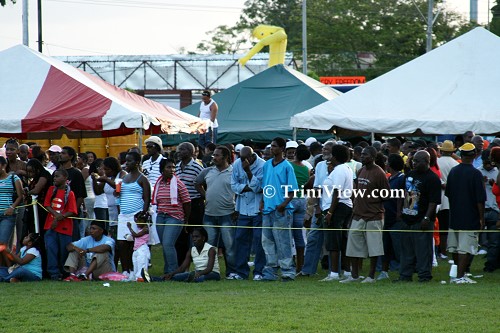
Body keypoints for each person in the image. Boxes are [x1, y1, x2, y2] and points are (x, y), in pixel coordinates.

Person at [342, 146, 390, 283]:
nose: (362, 157)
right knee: (353, 246)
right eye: (361, 154)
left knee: (374, 248)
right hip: (358, 214)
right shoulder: (361, 170)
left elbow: (386, 195)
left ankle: (370, 276)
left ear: (373, 157)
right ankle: (355, 275)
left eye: (365, 155)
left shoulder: (379, 173)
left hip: (374, 216)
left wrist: (372, 198)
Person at [396, 151, 441, 283]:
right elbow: (403, 193)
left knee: (423, 251)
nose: (413, 163)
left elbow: (434, 201)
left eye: (417, 161)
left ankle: (424, 276)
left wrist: (427, 218)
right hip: (407, 217)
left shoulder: (432, 178)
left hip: (422, 220)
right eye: (413, 160)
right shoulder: (409, 175)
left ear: (426, 162)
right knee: (406, 250)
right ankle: (405, 275)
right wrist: (399, 211)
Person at [446, 143, 486, 284]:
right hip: (470, 217)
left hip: (455, 215)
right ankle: (460, 277)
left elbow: (448, 194)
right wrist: (481, 218)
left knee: (455, 247)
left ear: (461, 155)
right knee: (464, 248)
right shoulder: (476, 174)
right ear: (474, 155)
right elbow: (480, 200)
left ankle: (458, 275)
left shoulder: (453, 172)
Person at [195, 145, 236, 278]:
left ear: (226, 157)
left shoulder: (234, 172)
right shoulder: (207, 171)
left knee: (229, 248)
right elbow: (197, 183)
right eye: (214, 155)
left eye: (217, 155)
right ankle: (211, 271)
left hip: (227, 215)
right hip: (209, 215)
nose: (214, 157)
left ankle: (232, 272)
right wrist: (205, 194)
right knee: (210, 247)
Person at [261, 137, 298, 282]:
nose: (272, 149)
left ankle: (288, 271)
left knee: (283, 242)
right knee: (267, 241)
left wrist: (284, 203)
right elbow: (265, 185)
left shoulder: (287, 166)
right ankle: (270, 271)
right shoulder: (267, 165)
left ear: (282, 149)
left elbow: (293, 190)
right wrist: (263, 202)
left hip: (281, 210)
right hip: (268, 209)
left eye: (275, 146)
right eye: (271, 146)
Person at [230, 146, 266, 281]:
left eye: (246, 159)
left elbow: (259, 188)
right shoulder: (237, 164)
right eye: (241, 158)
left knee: (259, 240)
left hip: (258, 208)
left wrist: (248, 172)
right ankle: (241, 272)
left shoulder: (262, 165)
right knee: (240, 239)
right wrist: (247, 187)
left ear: (252, 156)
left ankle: (259, 271)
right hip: (242, 209)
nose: (243, 161)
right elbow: (233, 185)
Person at [153, 158, 191, 275]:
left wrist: (186, 221)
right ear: (162, 170)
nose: (172, 170)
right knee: (165, 244)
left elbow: (187, 202)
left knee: (168, 243)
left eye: (173, 167)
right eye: (168, 167)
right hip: (161, 216)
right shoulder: (158, 183)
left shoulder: (178, 183)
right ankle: (167, 269)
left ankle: (173, 272)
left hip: (175, 217)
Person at [321, 144, 353, 281]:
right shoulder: (345, 168)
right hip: (345, 206)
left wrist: (330, 213)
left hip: (337, 206)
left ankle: (334, 273)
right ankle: (346, 271)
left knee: (333, 240)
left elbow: (337, 192)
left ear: (335, 156)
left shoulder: (339, 170)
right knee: (343, 240)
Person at [117, 152, 151, 278]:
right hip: (123, 214)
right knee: (122, 243)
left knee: (132, 243)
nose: (127, 163)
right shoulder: (124, 178)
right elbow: (120, 195)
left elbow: (147, 198)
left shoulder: (142, 178)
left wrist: (142, 216)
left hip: (135, 214)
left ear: (137, 163)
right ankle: (126, 270)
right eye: (126, 161)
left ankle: (134, 270)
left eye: (130, 161)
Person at [44, 168, 78, 280]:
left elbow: (72, 210)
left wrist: (59, 218)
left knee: (64, 251)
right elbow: (47, 204)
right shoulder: (51, 189)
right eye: (54, 176)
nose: (55, 178)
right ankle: (53, 273)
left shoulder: (70, 193)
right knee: (51, 249)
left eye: (57, 176)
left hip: (65, 227)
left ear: (65, 178)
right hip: (50, 226)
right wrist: (55, 216)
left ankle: (64, 272)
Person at [175, 142, 205, 265]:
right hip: (181, 205)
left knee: (195, 234)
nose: (178, 152)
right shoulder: (176, 167)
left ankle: (199, 263)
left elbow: (205, 184)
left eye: (181, 149)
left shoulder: (197, 167)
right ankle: (182, 263)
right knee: (181, 235)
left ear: (189, 152)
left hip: (195, 203)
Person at [379, 154, 405, 280]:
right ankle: (384, 271)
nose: (386, 164)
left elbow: (402, 196)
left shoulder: (401, 178)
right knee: (386, 245)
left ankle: (404, 271)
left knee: (398, 246)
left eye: (388, 162)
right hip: (387, 216)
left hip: (396, 217)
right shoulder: (389, 178)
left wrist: (399, 212)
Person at [58, 146, 87, 241]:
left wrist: (74, 211)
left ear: (70, 157)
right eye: (60, 153)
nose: (60, 155)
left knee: (74, 240)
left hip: (72, 214)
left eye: (63, 153)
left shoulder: (76, 173)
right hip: (58, 212)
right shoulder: (56, 173)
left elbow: (81, 195)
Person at [436, 140, 459, 259]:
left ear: (441, 150)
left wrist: (442, 183)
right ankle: (444, 251)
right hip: (450, 200)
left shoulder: (437, 162)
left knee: (438, 226)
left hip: (437, 198)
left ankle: (440, 250)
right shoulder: (456, 164)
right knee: (446, 227)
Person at [5, 138, 27, 250]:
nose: (9, 152)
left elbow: (32, 176)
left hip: (21, 202)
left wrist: (22, 173)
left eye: (12, 149)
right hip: (6, 202)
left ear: (17, 151)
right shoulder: (3, 164)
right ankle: (6, 259)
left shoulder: (23, 164)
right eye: (7, 149)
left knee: (21, 231)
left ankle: (18, 257)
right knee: (6, 233)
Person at [479, 150, 499, 271]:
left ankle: (490, 265)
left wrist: (493, 184)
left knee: (494, 241)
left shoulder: (497, 172)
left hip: (494, 209)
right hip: (480, 209)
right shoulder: (477, 171)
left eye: (490, 162)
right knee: (474, 238)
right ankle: (466, 267)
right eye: (486, 162)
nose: (488, 165)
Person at [0, 156, 24, 245]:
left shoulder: (14, 178)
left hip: (7, 215)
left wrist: (12, 207)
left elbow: (20, 196)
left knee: (2, 243)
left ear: (4, 165)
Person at [127, 212, 150, 282]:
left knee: (142, 263)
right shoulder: (139, 226)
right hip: (136, 248)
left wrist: (130, 228)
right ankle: (136, 277)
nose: (138, 223)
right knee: (136, 264)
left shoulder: (146, 228)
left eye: (140, 222)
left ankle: (142, 277)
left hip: (142, 248)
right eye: (137, 221)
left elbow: (136, 235)